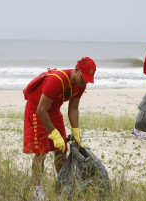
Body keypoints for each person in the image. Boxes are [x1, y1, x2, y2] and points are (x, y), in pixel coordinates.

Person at [23, 57, 96, 200]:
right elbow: (41, 110)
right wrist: (54, 134)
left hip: (54, 110)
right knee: (41, 152)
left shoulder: (81, 84)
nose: (85, 82)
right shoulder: (56, 80)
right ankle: (37, 191)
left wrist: (76, 132)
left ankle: (63, 185)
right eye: (84, 78)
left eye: (88, 79)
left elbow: (73, 108)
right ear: (76, 70)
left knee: (62, 150)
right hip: (37, 109)